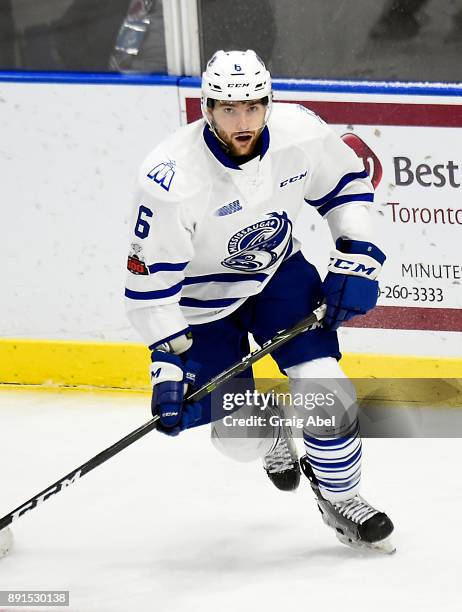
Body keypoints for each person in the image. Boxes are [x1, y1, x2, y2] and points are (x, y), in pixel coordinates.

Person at [125, 50, 395, 553]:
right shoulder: (169, 180)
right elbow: (149, 290)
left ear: (268, 103)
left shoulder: (300, 132)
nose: (242, 120)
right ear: (206, 108)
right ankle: (268, 429)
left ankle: (343, 499)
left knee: (326, 387)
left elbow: (348, 190)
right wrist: (166, 364)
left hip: (276, 276)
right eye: (228, 109)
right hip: (200, 306)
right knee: (237, 440)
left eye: (252, 106)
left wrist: (356, 257)